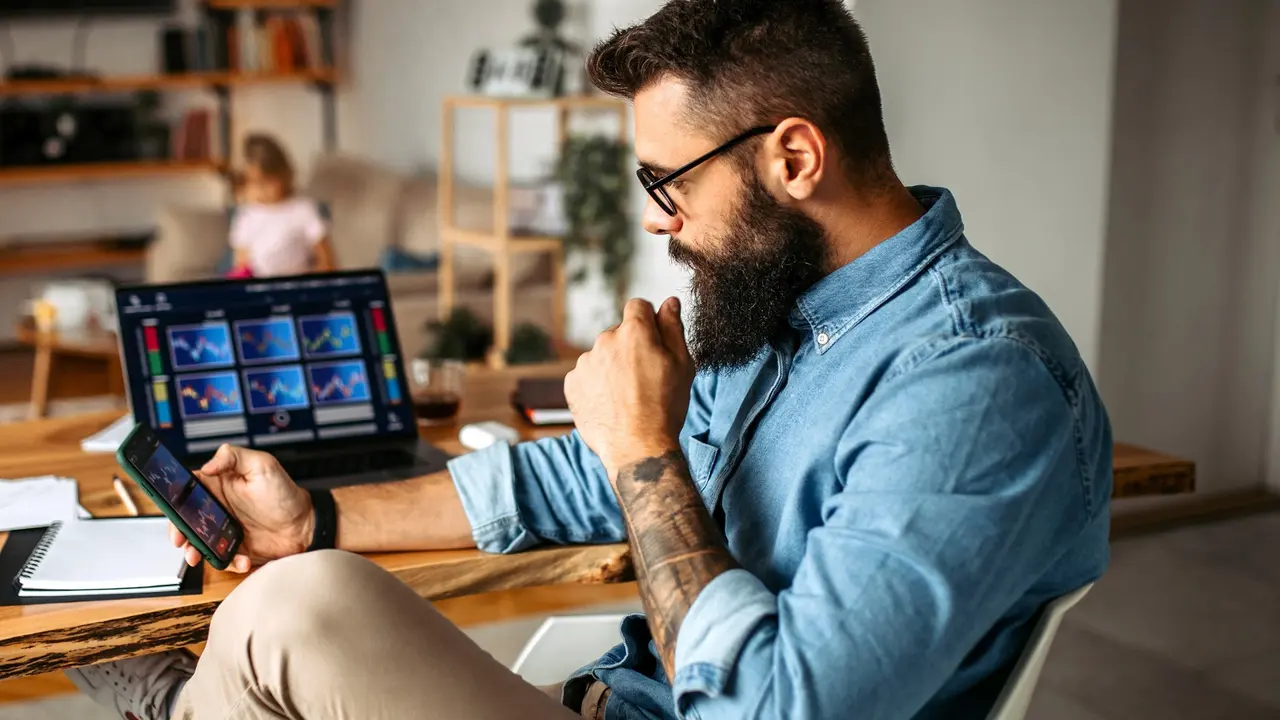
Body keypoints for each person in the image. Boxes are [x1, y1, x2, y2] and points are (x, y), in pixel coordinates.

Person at [67, 1, 1112, 718]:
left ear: (792, 158)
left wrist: (643, 447)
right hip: (605, 697)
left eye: (668, 183)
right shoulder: (782, 316)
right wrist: (318, 517)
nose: (659, 223)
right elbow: (578, 472)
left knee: (289, 613)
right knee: (304, 581)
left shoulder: (973, 384)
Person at [227, 134, 336, 278]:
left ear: (283, 174)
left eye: (266, 182)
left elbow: (326, 261)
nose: (261, 190)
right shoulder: (246, 216)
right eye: (252, 184)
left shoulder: (302, 209)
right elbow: (241, 263)